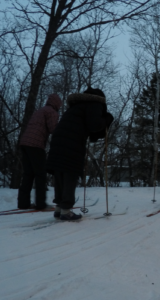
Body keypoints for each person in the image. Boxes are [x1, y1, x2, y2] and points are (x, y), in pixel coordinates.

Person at [46, 87, 114, 221]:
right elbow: (94, 125)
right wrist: (107, 119)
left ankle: (59, 208)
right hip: (72, 142)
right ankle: (66, 210)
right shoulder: (95, 104)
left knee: (60, 173)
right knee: (71, 173)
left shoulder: (76, 106)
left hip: (58, 139)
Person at [18, 94, 62, 210]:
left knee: (28, 174)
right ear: (57, 104)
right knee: (40, 175)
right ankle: (41, 204)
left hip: (24, 143)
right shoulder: (52, 112)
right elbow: (54, 129)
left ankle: (23, 203)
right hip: (36, 145)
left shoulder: (40, 111)